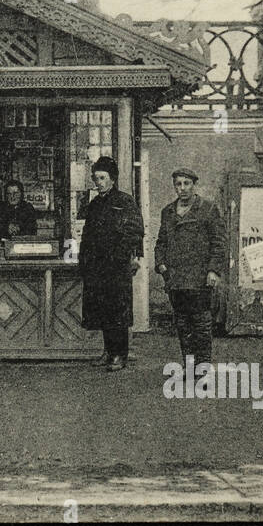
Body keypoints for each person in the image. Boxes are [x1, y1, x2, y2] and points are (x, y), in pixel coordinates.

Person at [155, 168, 227, 370]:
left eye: (187, 183)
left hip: (199, 277)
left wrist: (213, 270)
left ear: (194, 185)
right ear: (174, 187)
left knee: (202, 325)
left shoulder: (208, 209)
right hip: (176, 279)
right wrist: (161, 265)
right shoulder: (168, 212)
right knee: (182, 325)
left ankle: (203, 367)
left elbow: (219, 242)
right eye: (178, 184)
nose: (182, 188)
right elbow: (161, 242)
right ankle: (188, 366)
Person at [78, 156, 145, 371]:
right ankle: (108, 351)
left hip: (116, 266)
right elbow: (87, 235)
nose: (99, 182)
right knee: (102, 309)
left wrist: (124, 255)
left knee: (118, 310)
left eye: (103, 178)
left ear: (112, 179)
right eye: (96, 178)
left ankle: (120, 355)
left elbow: (135, 231)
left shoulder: (125, 202)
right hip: (97, 266)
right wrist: (84, 260)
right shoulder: (95, 204)